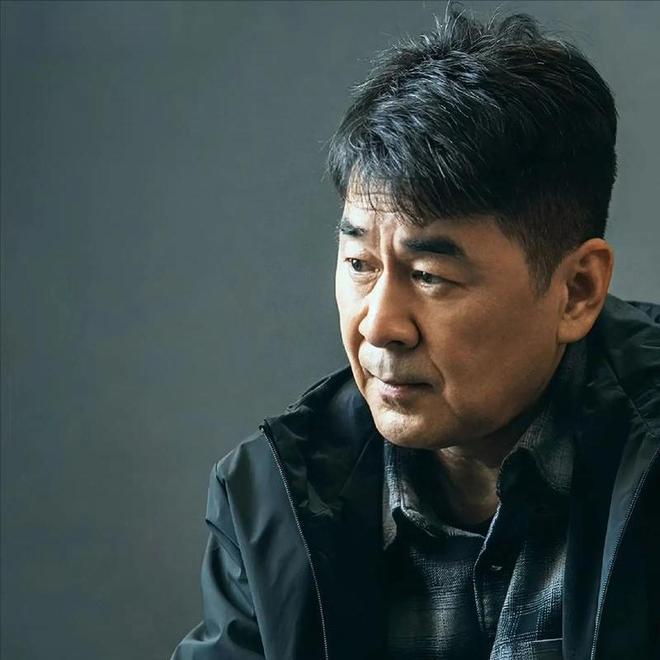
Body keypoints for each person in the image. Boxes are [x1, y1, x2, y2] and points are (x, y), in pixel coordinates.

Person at [171, 8, 660, 660]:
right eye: (359, 265)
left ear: (577, 290)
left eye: (430, 276)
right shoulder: (274, 503)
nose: (379, 324)